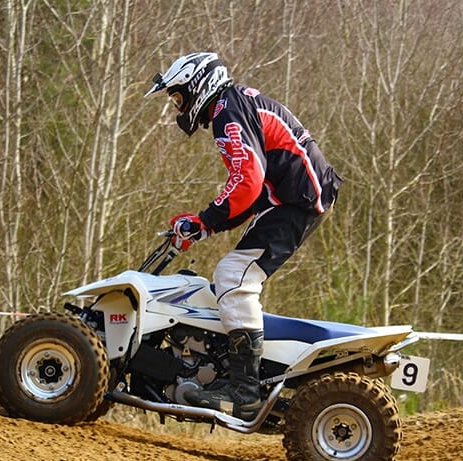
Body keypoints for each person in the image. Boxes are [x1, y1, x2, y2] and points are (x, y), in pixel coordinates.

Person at [145, 52, 342, 421]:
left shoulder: (227, 113)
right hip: (290, 197)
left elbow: (247, 182)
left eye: (179, 97)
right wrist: (206, 224)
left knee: (234, 277)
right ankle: (236, 377)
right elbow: (250, 188)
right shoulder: (235, 105)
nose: (178, 107)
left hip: (298, 200)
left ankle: (244, 392)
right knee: (234, 275)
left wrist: (205, 220)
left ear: (198, 86)